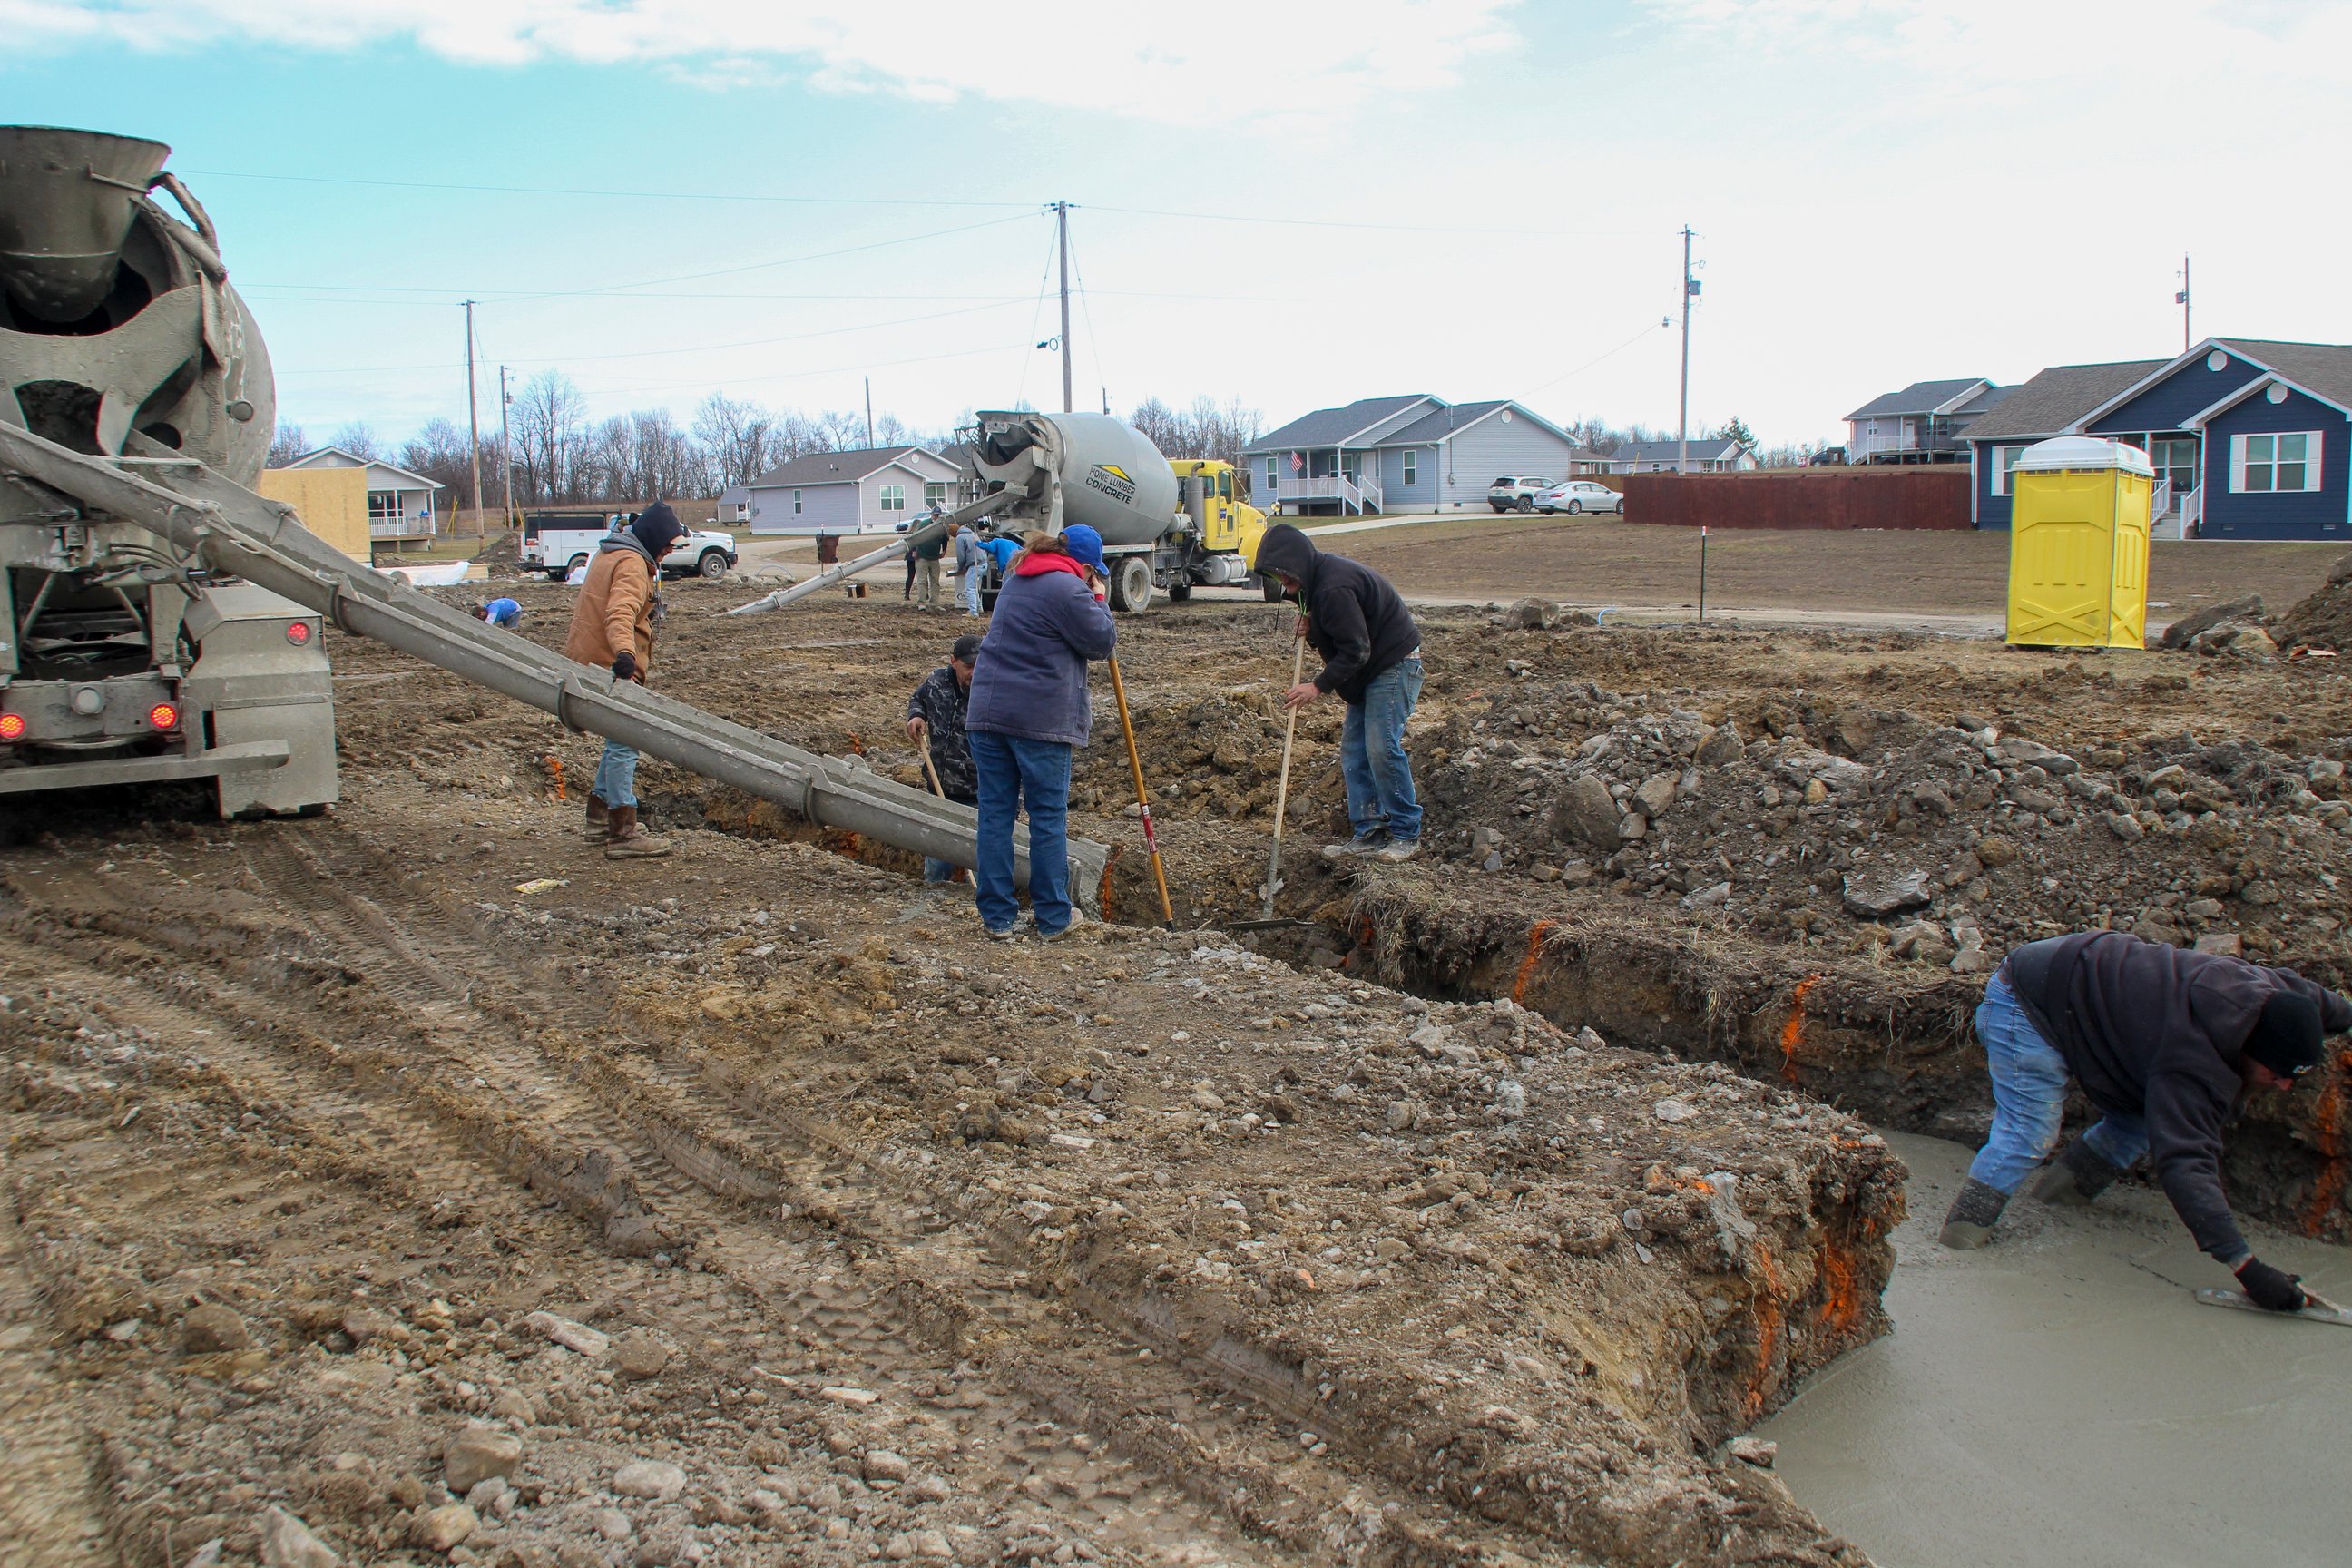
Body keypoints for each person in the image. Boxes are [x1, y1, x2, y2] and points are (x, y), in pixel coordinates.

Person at [1941, 930, 2348, 1312]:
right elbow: (2185, 1163)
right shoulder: (2191, 1061)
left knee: (2139, 1122)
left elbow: (2335, 1009)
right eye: (2278, 1073)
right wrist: (2247, 1267)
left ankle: (2059, 1199)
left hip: (2093, 988)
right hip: (2025, 998)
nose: (2284, 1087)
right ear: (2251, 1050)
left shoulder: (2282, 998)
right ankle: (1959, 1239)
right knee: (2029, 1134)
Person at [964, 525, 1116, 940]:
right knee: (1047, 816)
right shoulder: (1070, 590)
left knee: (995, 814)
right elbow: (1102, 642)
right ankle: (1052, 917)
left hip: (989, 713)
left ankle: (997, 917)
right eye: (1093, 573)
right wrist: (1100, 597)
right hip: (1038, 721)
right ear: (1084, 566)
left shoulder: (1017, 578)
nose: (1092, 580)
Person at [1252, 522, 1426, 864]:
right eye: (1279, 581)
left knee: (1380, 746)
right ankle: (1369, 832)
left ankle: (1406, 834)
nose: (1285, 589)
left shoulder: (1333, 587)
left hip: (1392, 664)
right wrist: (1315, 630)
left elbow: (1356, 649)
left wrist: (1316, 686)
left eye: (1286, 579)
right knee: (1354, 751)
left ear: (1298, 564)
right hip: (1369, 670)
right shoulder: (1316, 586)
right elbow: (1341, 635)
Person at [563, 502, 688, 859]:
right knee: (626, 740)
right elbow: (619, 612)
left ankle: (599, 817)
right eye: (667, 544)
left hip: (588, 659)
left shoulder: (611, 553)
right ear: (652, 537)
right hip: (607, 664)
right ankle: (623, 832)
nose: (668, 551)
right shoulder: (633, 565)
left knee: (617, 738)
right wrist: (625, 656)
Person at [906, 633, 983, 883]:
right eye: (969, 666)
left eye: (981, 665)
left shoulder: (993, 691)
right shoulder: (937, 681)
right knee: (937, 866)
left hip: (978, 798)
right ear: (953, 661)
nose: (975, 672)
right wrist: (916, 716)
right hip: (940, 792)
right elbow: (918, 698)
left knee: (984, 866)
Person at [912, 511, 947, 612]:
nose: (936, 517)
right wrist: (914, 550)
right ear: (931, 515)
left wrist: (944, 550)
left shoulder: (942, 525)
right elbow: (915, 537)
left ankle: (934, 603)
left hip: (935, 558)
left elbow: (945, 538)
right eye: (935, 515)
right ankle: (922, 602)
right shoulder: (923, 524)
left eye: (938, 515)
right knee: (922, 581)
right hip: (922, 557)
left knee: (935, 582)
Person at [952, 518, 985, 617]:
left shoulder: (960, 538)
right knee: (975, 587)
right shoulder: (973, 534)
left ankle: (973, 612)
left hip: (975, 564)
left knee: (970, 588)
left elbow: (961, 555)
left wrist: (961, 568)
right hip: (984, 563)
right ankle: (979, 607)